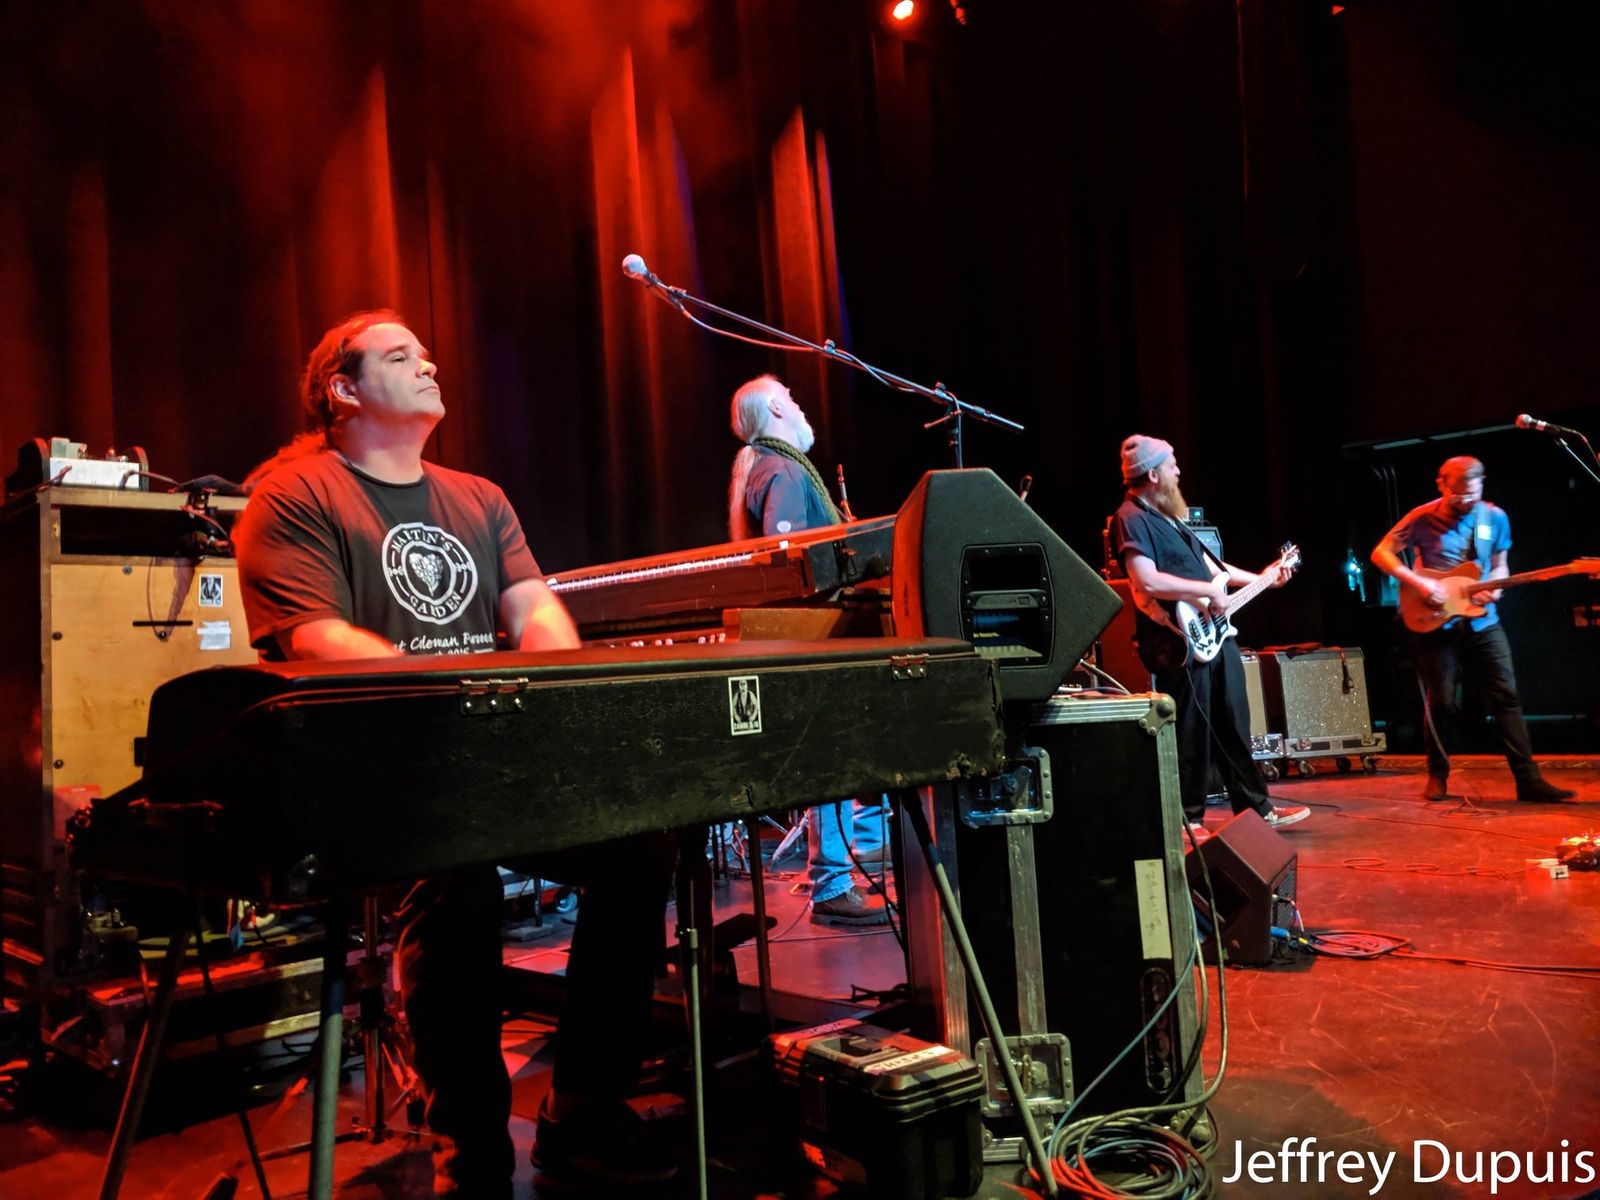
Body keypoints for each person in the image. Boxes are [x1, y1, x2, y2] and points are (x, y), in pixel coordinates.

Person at [234, 311, 677, 1196]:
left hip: (489, 761)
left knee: (637, 844)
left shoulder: (479, 497)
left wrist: (553, 699)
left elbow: (535, 610)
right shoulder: (293, 496)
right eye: (400, 355)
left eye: (426, 352)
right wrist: (454, 709)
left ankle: (582, 1111)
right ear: (343, 390)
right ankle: (469, 1151)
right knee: (454, 871)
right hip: (378, 775)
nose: (429, 362)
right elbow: (317, 641)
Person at [727, 374, 890, 924]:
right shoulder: (786, 471)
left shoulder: (763, 468)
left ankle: (860, 850)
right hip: (817, 636)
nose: (798, 405)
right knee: (832, 755)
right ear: (776, 409)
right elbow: (790, 562)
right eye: (791, 398)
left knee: (843, 749)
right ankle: (832, 884)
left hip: (810, 635)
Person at [1108, 434, 1311, 833]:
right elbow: (1145, 580)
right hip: (1177, 641)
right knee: (1191, 729)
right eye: (1171, 465)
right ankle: (1189, 818)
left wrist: (1265, 578)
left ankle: (1257, 809)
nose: (1178, 471)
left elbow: (1214, 569)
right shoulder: (1130, 518)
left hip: (1214, 636)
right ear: (1153, 474)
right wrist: (1205, 591)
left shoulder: (1170, 517)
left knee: (1233, 720)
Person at [1370, 455, 1575, 803]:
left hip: (1482, 620)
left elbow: (1500, 566)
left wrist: (1496, 588)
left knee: (1507, 696)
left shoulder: (1494, 517)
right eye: (1459, 495)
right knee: (1442, 703)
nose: (1466, 501)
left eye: (1473, 494)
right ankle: (1437, 776)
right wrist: (1419, 583)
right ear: (1442, 485)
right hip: (1435, 620)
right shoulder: (1422, 517)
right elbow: (1382, 553)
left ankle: (1528, 780)